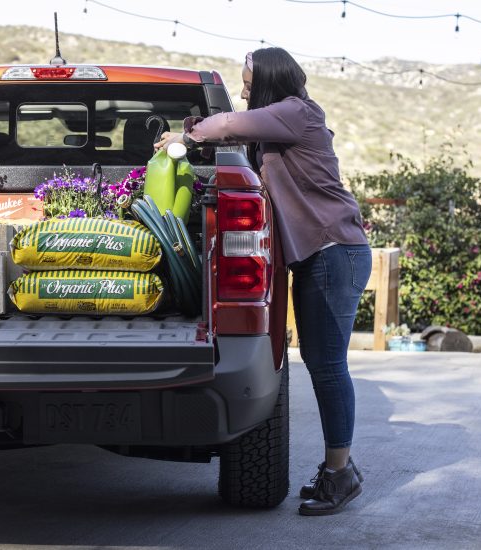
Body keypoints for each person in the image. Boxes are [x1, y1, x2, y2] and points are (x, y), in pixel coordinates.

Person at [155, 47, 372, 516]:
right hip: (320, 256)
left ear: (271, 79)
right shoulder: (280, 125)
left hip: (336, 252)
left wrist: (185, 133)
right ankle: (340, 469)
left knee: (329, 365)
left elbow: (229, 124)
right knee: (319, 361)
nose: (245, 88)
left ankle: (341, 472)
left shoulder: (297, 113)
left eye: (249, 80)